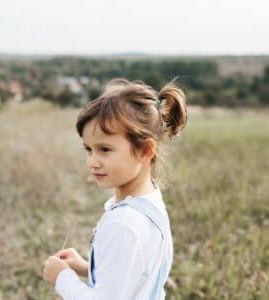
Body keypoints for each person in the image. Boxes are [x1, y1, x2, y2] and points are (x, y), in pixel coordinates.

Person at [42, 78, 187, 299]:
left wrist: (63, 278)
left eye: (105, 149)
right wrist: (84, 267)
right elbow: (133, 276)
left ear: (145, 150)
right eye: (89, 149)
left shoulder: (124, 223)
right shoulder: (149, 201)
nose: (93, 161)